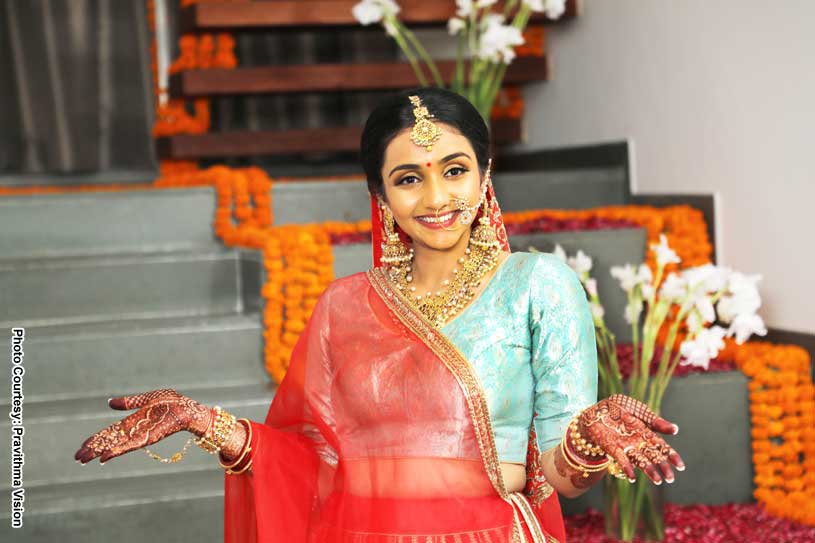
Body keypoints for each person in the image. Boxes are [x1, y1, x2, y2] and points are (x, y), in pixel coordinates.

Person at [74, 88, 685, 543]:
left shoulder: (537, 286)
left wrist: (582, 440)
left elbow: (560, 475)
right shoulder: (344, 306)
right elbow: (308, 461)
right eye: (408, 179)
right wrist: (202, 421)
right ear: (381, 196)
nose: (438, 198)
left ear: (484, 175)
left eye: (454, 171)